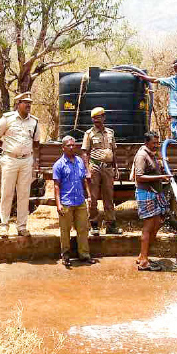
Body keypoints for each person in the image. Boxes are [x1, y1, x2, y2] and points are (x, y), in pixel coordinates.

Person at [0, 92, 41, 238]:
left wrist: (35, 161)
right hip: (10, 160)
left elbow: (36, 144)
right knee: (7, 193)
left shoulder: (34, 122)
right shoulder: (7, 119)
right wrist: (8, 148)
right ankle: (4, 226)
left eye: (30, 103)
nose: (29, 105)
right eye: (25, 102)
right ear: (18, 104)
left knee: (24, 194)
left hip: (26, 161)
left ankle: (22, 226)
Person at [133, 131, 172, 271]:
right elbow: (139, 177)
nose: (157, 145)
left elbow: (153, 171)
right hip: (146, 194)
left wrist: (161, 168)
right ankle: (144, 262)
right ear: (146, 142)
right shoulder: (142, 155)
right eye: (154, 143)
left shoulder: (151, 154)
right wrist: (161, 177)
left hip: (155, 193)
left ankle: (142, 255)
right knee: (148, 227)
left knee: (157, 223)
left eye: (158, 143)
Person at [53, 135, 94, 266]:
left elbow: (84, 180)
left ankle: (84, 255)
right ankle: (65, 256)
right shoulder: (58, 165)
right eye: (68, 145)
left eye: (73, 145)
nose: (71, 147)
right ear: (63, 148)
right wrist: (58, 204)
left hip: (80, 201)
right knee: (65, 231)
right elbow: (56, 186)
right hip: (66, 202)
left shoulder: (80, 161)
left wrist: (88, 196)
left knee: (83, 229)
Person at [82, 106, 122, 236]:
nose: (96, 121)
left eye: (99, 118)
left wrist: (116, 168)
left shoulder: (110, 132)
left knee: (109, 198)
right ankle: (94, 225)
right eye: (94, 118)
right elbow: (85, 153)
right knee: (93, 198)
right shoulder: (89, 134)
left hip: (108, 168)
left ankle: (111, 225)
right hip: (95, 167)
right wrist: (87, 170)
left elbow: (113, 151)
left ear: (104, 118)